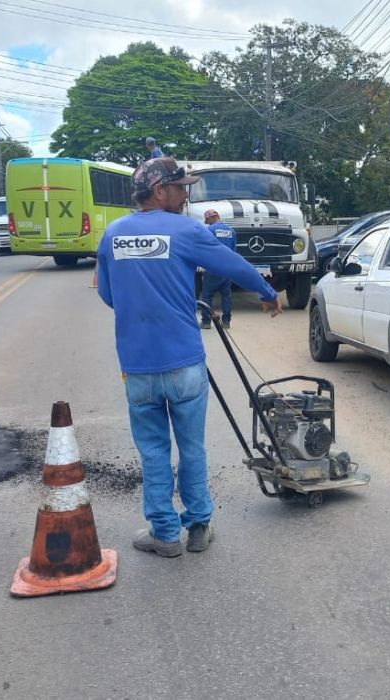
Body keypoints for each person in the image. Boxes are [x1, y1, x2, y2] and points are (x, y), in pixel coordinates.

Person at [96, 156, 283, 557]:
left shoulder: (113, 234)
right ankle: (199, 527)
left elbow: (108, 295)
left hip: (138, 369)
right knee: (192, 448)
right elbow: (233, 265)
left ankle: (165, 535)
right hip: (184, 364)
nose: (186, 194)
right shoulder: (186, 230)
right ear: (159, 190)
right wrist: (268, 294)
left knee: (153, 452)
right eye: (181, 187)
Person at [198, 208, 237, 329]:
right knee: (226, 296)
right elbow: (234, 251)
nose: (207, 222)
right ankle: (226, 322)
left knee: (207, 295)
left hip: (213, 268)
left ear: (211, 217)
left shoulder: (209, 230)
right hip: (227, 269)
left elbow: (204, 249)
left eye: (207, 220)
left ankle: (206, 322)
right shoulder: (232, 231)